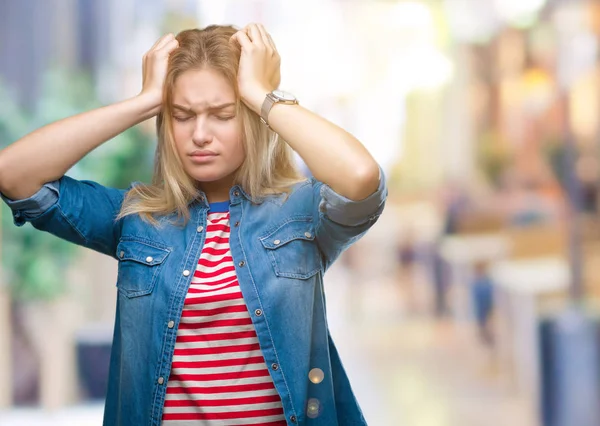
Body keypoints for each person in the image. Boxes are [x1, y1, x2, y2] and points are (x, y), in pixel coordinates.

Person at [0, 24, 387, 426]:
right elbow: (14, 175)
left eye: (222, 115)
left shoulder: (301, 213)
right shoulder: (137, 219)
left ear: (252, 120)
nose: (199, 135)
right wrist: (143, 102)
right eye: (182, 116)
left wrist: (261, 96)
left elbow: (360, 178)